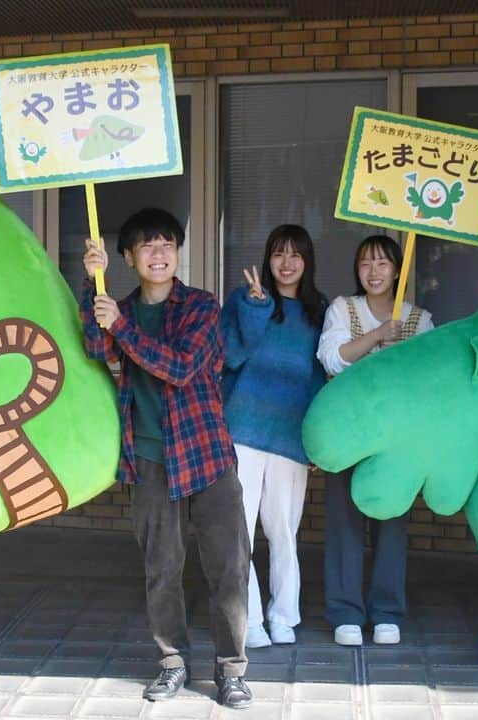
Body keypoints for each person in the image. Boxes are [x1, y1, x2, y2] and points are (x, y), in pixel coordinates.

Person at [78, 208, 253, 709]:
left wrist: (124, 330)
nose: (159, 254)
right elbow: (95, 346)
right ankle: (172, 662)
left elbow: (180, 367)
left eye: (167, 245)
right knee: (162, 567)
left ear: (177, 253)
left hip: (206, 455)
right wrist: (93, 285)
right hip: (150, 459)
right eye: (147, 247)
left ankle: (231, 670)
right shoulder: (120, 306)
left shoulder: (200, 305)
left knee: (228, 567)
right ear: (129, 257)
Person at [316, 234, 434, 647]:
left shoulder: (419, 319)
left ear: (398, 270)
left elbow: (425, 379)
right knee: (344, 524)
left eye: (383, 263)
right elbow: (332, 358)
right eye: (365, 263)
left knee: (391, 525)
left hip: (396, 441)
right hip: (348, 432)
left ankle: (386, 612)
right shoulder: (342, 309)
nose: (374, 271)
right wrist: (377, 335)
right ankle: (346, 611)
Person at [220, 224, 327, 649]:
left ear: (307, 261)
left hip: (290, 434)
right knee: (239, 530)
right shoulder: (245, 300)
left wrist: (318, 438)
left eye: (295, 254)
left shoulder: (319, 311)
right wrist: (255, 309)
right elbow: (229, 356)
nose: (286, 263)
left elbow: (320, 376)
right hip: (243, 428)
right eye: (279, 253)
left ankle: (284, 615)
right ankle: (249, 619)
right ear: (267, 257)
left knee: (283, 529)